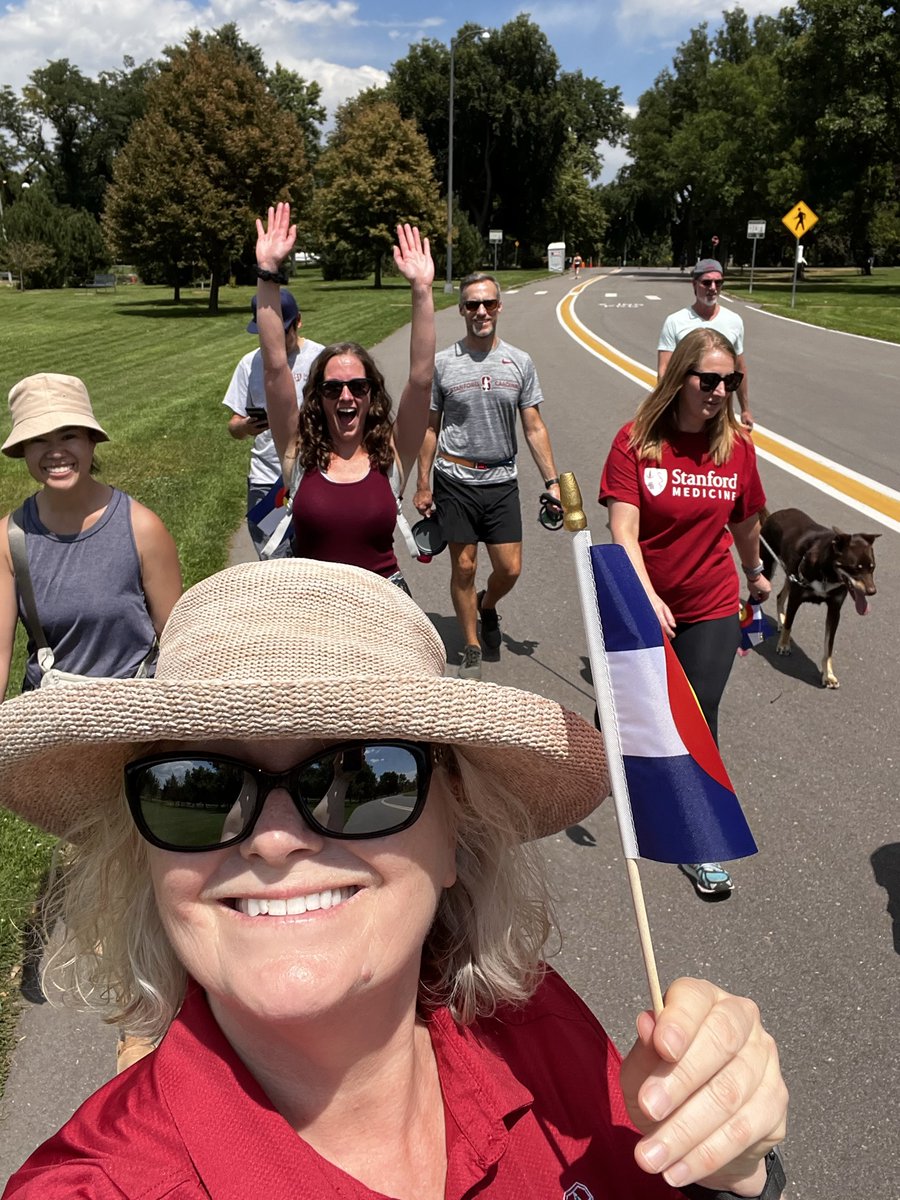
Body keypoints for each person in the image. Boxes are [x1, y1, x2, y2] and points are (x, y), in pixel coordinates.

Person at [0, 557, 787, 1199]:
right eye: (200, 790)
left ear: (457, 834)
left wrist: (729, 1171)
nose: (274, 840)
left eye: (364, 777)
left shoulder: (537, 1029)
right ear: (147, 855)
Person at [599, 329, 771, 898]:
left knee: (699, 709)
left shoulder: (737, 450)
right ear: (681, 380)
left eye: (731, 381)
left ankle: (700, 841)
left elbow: (746, 523)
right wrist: (646, 594)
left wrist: (754, 573)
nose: (721, 391)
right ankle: (631, 771)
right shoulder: (637, 441)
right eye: (710, 379)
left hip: (712, 602)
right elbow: (622, 528)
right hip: (643, 599)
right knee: (633, 711)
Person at [255, 203, 434, 591]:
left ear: (371, 395)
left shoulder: (393, 453)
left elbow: (421, 381)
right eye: (333, 388)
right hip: (312, 609)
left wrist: (422, 290)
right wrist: (268, 273)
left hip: (382, 603)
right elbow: (274, 369)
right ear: (318, 398)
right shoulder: (298, 452)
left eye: (358, 386)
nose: (346, 396)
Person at [414, 273, 561, 680]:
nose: (481, 311)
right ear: (461, 309)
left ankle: (487, 605)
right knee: (463, 566)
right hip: (455, 479)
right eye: (472, 305)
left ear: (499, 307)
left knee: (509, 568)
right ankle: (472, 644)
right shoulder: (444, 363)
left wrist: (553, 482)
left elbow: (533, 426)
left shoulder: (519, 361)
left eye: (489, 304)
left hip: (501, 481)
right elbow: (430, 428)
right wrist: (424, 482)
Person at [0, 373, 182, 698]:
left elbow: (176, 638)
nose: (55, 452)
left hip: (133, 711)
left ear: (90, 441)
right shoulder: (10, 539)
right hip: (52, 714)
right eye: (39, 439)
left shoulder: (141, 528)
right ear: (23, 450)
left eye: (68, 436)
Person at [223, 288, 324, 558]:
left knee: (318, 561)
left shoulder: (321, 360)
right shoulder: (249, 364)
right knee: (274, 563)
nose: (274, 340)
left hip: (315, 475)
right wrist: (244, 427)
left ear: (298, 321)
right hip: (268, 481)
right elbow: (233, 425)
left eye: (283, 331)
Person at [657, 260, 754, 430]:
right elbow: (664, 371)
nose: (713, 287)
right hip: (685, 413)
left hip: (720, 410)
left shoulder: (734, 321)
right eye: (707, 282)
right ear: (694, 285)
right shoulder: (675, 322)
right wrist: (666, 408)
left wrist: (745, 409)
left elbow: (739, 369)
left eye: (718, 282)